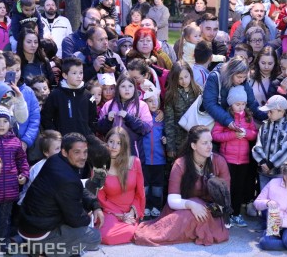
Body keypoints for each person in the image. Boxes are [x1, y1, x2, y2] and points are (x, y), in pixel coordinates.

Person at [134, 125, 231, 246]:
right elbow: (172, 200)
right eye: (205, 143)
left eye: (210, 142)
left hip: (210, 211)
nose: (210, 146)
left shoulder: (219, 162)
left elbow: (225, 197)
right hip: (182, 207)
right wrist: (191, 205)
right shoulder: (180, 164)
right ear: (193, 146)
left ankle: (189, 230)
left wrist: (208, 208)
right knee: (157, 233)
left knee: (210, 225)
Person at [18, 133, 103, 256]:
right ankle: (45, 252)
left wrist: (94, 204)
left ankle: (43, 249)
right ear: (64, 152)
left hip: (28, 226)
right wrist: (88, 216)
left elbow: (77, 187)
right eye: (77, 152)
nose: (83, 157)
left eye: (85, 152)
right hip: (39, 234)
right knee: (94, 237)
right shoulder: (66, 177)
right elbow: (76, 220)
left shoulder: (55, 160)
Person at [212, 85, 258, 227]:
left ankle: (237, 214)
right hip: (228, 159)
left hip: (243, 159)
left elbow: (254, 134)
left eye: (243, 104)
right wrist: (233, 134)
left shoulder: (248, 117)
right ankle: (226, 213)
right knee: (228, 188)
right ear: (231, 104)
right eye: (238, 104)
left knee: (239, 188)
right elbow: (215, 135)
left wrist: (246, 133)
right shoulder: (225, 118)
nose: (241, 107)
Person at [97, 127, 145, 245]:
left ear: (124, 146)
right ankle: (135, 231)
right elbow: (100, 198)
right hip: (110, 212)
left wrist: (132, 212)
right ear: (106, 142)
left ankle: (134, 229)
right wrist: (119, 215)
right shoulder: (99, 166)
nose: (114, 147)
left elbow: (140, 193)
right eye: (111, 142)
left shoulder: (134, 162)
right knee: (106, 237)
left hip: (130, 212)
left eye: (119, 143)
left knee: (130, 230)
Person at [0, 106, 29, 252]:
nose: (2, 125)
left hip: (10, 190)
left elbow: (22, 160)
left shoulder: (15, 141)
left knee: (5, 221)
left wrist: (24, 175)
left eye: (5, 121)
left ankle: (0, 246)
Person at [203, 56, 267, 131]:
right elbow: (210, 103)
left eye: (244, 77)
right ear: (231, 73)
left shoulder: (243, 81)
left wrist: (266, 116)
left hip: (234, 122)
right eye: (239, 77)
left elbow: (251, 103)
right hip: (216, 124)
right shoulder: (215, 77)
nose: (242, 80)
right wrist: (228, 121)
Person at [41, 57, 98, 137]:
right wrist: (56, 136)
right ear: (65, 75)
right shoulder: (55, 95)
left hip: (83, 143)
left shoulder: (89, 96)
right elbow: (46, 118)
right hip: (62, 143)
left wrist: (89, 134)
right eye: (74, 73)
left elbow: (93, 119)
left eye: (81, 73)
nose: (79, 76)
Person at [98, 74, 152, 155]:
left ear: (135, 88)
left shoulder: (142, 106)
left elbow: (146, 128)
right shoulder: (108, 105)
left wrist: (129, 118)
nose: (127, 89)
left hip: (133, 152)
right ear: (118, 89)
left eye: (130, 86)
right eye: (123, 86)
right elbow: (100, 129)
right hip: (111, 151)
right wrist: (107, 120)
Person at [252, 95, 287, 189]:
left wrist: (271, 164)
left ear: (281, 111)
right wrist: (262, 162)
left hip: (280, 173)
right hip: (263, 171)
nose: (268, 114)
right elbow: (257, 146)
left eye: (271, 111)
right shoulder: (264, 125)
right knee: (264, 198)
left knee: (278, 199)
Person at [4, 52, 41, 153]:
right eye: (11, 71)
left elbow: (35, 119)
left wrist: (26, 141)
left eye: (18, 70)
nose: (15, 74)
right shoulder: (0, 90)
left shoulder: (28, 91)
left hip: (23, 145)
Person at [164, 61, 202, 159]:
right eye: (180, 78)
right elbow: (169, 122)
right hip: (179, 140)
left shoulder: (198, 91)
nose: (184, 81)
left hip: (197, 138)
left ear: (191, 75)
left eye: (186, 77)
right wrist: (170, 147)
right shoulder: (171, 95)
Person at [18, 130, 62, 205]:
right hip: (31, 203)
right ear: (46, 152)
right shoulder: (39, 168)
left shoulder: (62, 164)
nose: (61, 151)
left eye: (61, 147)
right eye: (57, 149)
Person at [142, 87, 166, 219]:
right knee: (145, 185)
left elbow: (166, 132)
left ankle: (156, 207)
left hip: (159, 159)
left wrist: (165, 139)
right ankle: (145, 206)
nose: (153, 103)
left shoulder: (161, 117)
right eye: (150, 101)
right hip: (145, 159)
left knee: (157, 186)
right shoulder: (141, 116)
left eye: (155, 101)